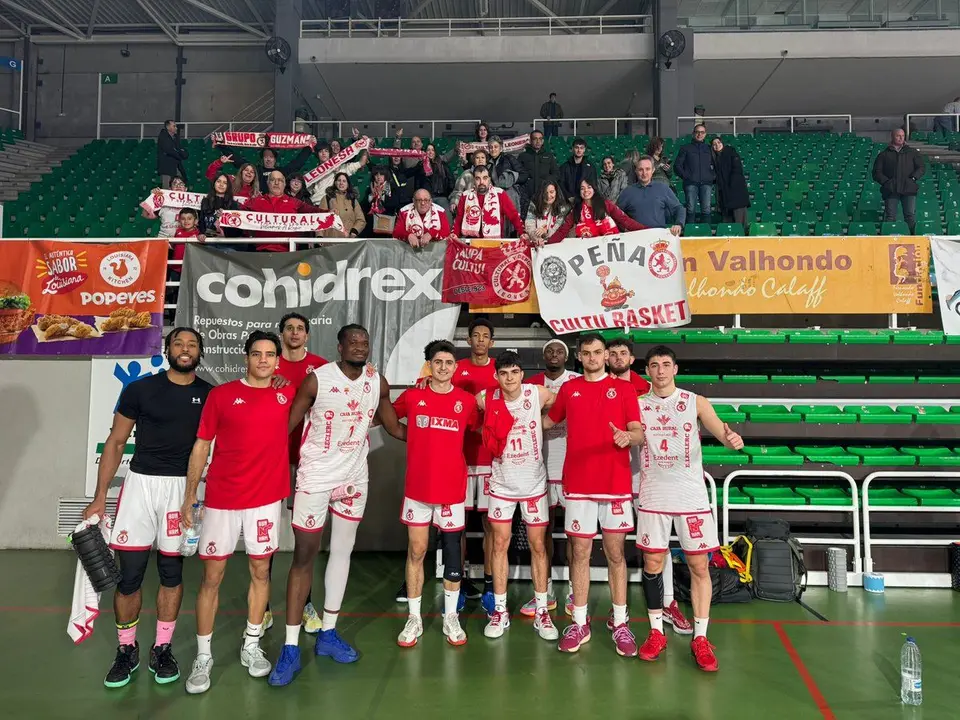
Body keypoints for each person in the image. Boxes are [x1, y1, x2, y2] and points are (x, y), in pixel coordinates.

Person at [268, 324, 407, 686]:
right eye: (354, 342)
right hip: (315, 478)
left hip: (354, 479)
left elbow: (395, 428)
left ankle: (328, 633)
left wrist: (437, 422)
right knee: (304, 557)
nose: (360, 347)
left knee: (342, 553)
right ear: (340, 346)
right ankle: (291, 646)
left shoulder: (378, 382)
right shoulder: (317, 380)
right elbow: (286, 424)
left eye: (365, 341)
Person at [83, 328, 211, 688]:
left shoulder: (209, 394)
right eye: (178, 344)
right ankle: (127, 651)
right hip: (140, 487)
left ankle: (162, 648)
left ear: (200, 352)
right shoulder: (140, 389)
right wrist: (99, 496)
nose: (185, 350)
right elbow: (116, 440)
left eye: (192, 345)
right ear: (167, 349)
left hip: (181, 491)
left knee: (172, 573)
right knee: (130, 576)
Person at [181, 331, 296, 694]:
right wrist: (189, 496)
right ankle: (203, 656)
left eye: (270, 355)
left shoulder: (287, 393)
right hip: (221, 500)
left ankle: (251, 644)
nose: (264, 360)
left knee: (261, 572)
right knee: (211, 579)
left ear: (278, 361)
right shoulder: (221, 395)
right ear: (246, 358)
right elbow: (202, 445)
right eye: (257, 354)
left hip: (264, 501)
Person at [635, 345, 744, 672]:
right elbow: (633, 434)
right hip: (654, 495)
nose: (660, 370)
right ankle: (656, 633)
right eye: (654, 365)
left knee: (699, 565)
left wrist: (731, 440)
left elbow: (719, 429)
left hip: (690, 497)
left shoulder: (694, 401)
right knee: (653, 563)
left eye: (666, 364)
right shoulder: (639, 404)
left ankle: (700, 637)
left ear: (676, 369)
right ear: (648, 371)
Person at [542, 334, 644, 656]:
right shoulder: (569, 390)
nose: (592, 358)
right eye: (586, 353)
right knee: (581, 553)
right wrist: (515, 415)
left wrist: (629, 437)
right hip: (579, 487)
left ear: (605, 355)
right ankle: (581, 622)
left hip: (614, 485)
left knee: (615, 554)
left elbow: (639, 432)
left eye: (598, 352)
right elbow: (547, 420)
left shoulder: (625, 389)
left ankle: (621, 621)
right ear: (579, 355)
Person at [394, 340, 480, 648]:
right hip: (418, 489)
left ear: (455, 367)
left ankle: (450, 618)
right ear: (429, 365)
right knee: (416, 551)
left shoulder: (466, 401)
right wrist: (413, 437)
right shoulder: (413, 396)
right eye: (437, 362)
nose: (443, 367)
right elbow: (389, 420)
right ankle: (414, 618)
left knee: (453, 557)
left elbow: (480, 430)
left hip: (452, 491)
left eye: (448, 363)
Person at [606, 338, 691, 635]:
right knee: (613, 546)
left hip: (649, 479)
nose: (617, 358)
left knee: (658, 546)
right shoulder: (600, 388)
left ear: (631, 359)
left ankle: (668, 602)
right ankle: (619, 608)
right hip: (613, 477)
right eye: (612, 353)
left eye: (623, 354)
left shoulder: (647, 390)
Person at [479, 351, 559, 642]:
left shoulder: (536, 393)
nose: (510, 378)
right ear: (496, 376)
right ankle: (500, 610)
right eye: (504, 373)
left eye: (514, 372)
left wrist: (545, 425)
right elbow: (465, 408)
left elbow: (559, 403)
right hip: (501, 485)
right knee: (499, 544)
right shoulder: (486, 399)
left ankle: (541, 610)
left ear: (521, 374)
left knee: (538, 546)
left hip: (534, 485)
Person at [263, 313, 329, 633]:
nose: (294, 333)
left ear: (307, 335)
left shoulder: (321, 367)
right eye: (288, 328)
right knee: (267, 535)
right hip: (271, 460)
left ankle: (305, 605)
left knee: (305, 540)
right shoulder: (267, 364)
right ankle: (262, 607)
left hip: (308, 463)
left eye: (300, 329)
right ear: (281, 334)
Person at [521, 339, 579, 617]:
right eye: (549, 351)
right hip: (538, 469)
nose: (554, 355)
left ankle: (573, 592)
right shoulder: (531, 384)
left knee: (573, 535)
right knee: (540, 534)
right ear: (543, 355)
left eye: (559, 351)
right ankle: (543, 592)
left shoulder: (577, 382)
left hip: (571, 467)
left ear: (567, 357)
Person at [546, 178, 645, 244]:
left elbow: (625, 220)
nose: (586, 191)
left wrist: (648, 230)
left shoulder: (605, 204)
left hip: (611, 249)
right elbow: (563, 230)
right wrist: (548, 243)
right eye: (582, 188)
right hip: (589, 254)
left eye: (589, 187)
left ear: (594, 189)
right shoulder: (576, 209)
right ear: (579, 192)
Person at [872, 128, 925, 235]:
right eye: (898, 136)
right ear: (892, 136)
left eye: (903, 136)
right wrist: (887, 182)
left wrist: (913, 178)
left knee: (910, 216)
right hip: (891, 189)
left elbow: (921, 168)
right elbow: (876, 172)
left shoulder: (912, 152)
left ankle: (912, 239)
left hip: (908, 188)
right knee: (890, 216)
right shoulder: (883, 154)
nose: (901, 138)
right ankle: (888, 240)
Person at [616, 156, 685, 236]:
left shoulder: (662, 188)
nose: (644, 173)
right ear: (636, 171)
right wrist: (623, 229)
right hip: (635, 239)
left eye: (647, 169)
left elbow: (679, 208)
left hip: (658, 239)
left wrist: (679, 224)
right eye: (641, 169)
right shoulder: (627, 192)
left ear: (653, 170)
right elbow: (616, 215)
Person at [674, 125, 715, 223]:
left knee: (706, 209)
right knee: (690, 209)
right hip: (690, 183)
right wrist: (686, 176)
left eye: (702, 132)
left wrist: (712, 176)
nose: (699, 134)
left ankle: (706, 234)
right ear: (693, 134)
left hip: (706, 183)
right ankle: (690, 233)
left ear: (705, 134)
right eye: (697, 132)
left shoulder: (710, 149)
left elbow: (716, 165)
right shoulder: (685, 148)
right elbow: (677, 166)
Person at [710, 137, 750, 230]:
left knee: (740, 224)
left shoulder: (731, 152)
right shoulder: (715, 159)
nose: (717, 145)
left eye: (719, 142)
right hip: (725, 195)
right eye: (714, 144)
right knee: (728, 225)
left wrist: (730, 185)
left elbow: (737, 171)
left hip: (736, 193)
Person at [157, 120, 187, 188]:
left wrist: (179, 152)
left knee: (180, 184)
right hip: (166, 168)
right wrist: (180, 154)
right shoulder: (163, 136)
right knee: (166, 188)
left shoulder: (176, 137)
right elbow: (169, 150)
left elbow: (181, 150)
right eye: (174, 126)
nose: (176, 128)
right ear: (168, 127)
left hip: (176, 166)